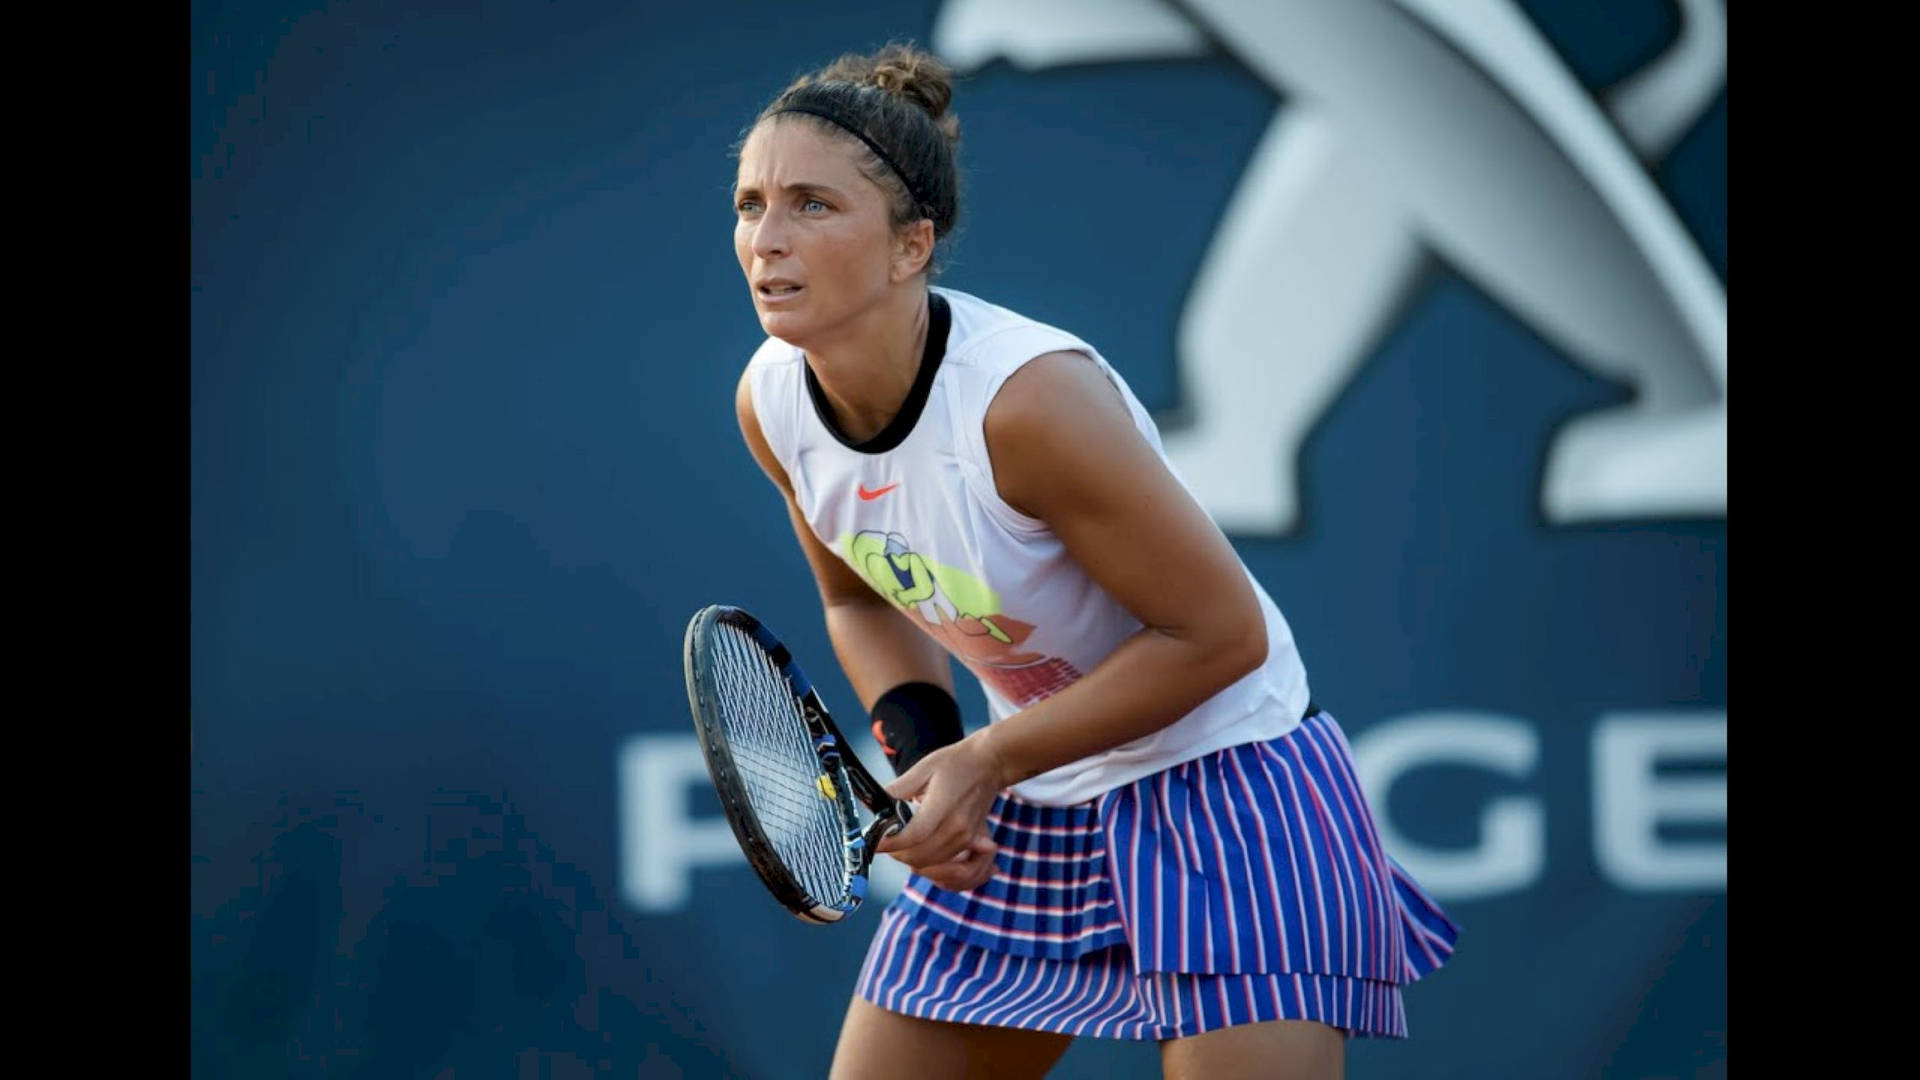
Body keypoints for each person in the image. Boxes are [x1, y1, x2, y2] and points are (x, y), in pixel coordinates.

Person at [729, 42, 1458, 1080]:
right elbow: (858, 597)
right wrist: (930, 751)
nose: (767, 238)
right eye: (751, 203)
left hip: (1232, 790)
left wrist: (987, 763)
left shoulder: (1028, 403)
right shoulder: (772, 403)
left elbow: (1219, 636)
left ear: (910, 247)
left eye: (812, 205)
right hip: (1033, 794)